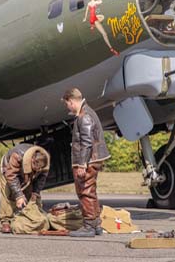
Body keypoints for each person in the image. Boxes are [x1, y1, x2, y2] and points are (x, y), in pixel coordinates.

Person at [62, 88, 110, 237]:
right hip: (93, 158)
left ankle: (89, 226)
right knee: (91, 192)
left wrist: (82, 164)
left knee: (85, 192)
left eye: (67, 104)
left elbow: (87, 142)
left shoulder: (84, 116)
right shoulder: (88, 112)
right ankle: (96, 225)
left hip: (88, 160)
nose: (67, 107)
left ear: (71, 101)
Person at [0, 143, 50, 233]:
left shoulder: (44, 160)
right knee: (8, 191)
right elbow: (11, 176)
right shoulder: (17, 156)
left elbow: (41, 179)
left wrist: (35, 193)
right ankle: (6, 220)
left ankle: (27, 216)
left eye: (40, 169)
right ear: (32, 160)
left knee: (30, 194)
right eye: (36, 168)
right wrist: (19, 195)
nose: (38, 171)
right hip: (9, 169)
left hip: (25, 169)